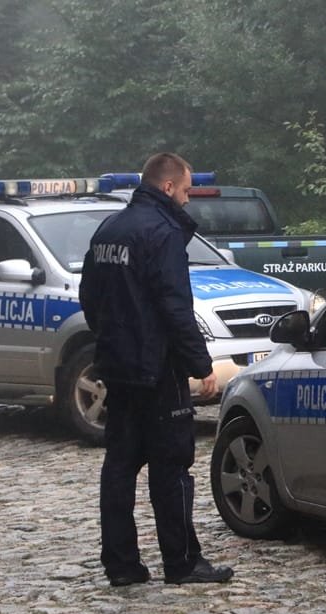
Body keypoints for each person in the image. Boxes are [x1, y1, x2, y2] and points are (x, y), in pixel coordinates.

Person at [79, 152, 234, 586]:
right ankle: (182, 562)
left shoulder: (109, 229)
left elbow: (90, 296)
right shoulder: (163, 233)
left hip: (117, 366)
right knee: (172, 467)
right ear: (167, 187)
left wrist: (112, 337)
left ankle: (121, 565)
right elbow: (175, 306)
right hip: (158, 369)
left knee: (120, 466)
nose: (187, 200)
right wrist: (200, 364)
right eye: (185, 190)